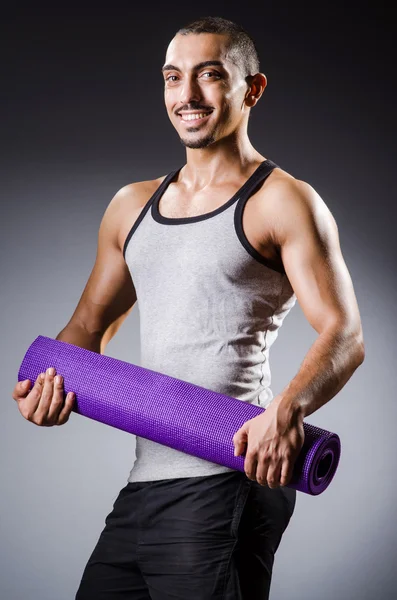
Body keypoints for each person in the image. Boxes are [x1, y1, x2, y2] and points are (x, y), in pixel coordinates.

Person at [12, 16, 365, 600]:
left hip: (231, 471)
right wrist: (48, 385)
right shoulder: (132, 205)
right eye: (173, 78)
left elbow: (345, 334)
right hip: (148, 479)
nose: (187, 96)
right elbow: (86, 326)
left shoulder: (283, 201)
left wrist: (286, 411)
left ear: (251, 90)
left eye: (209, 76)